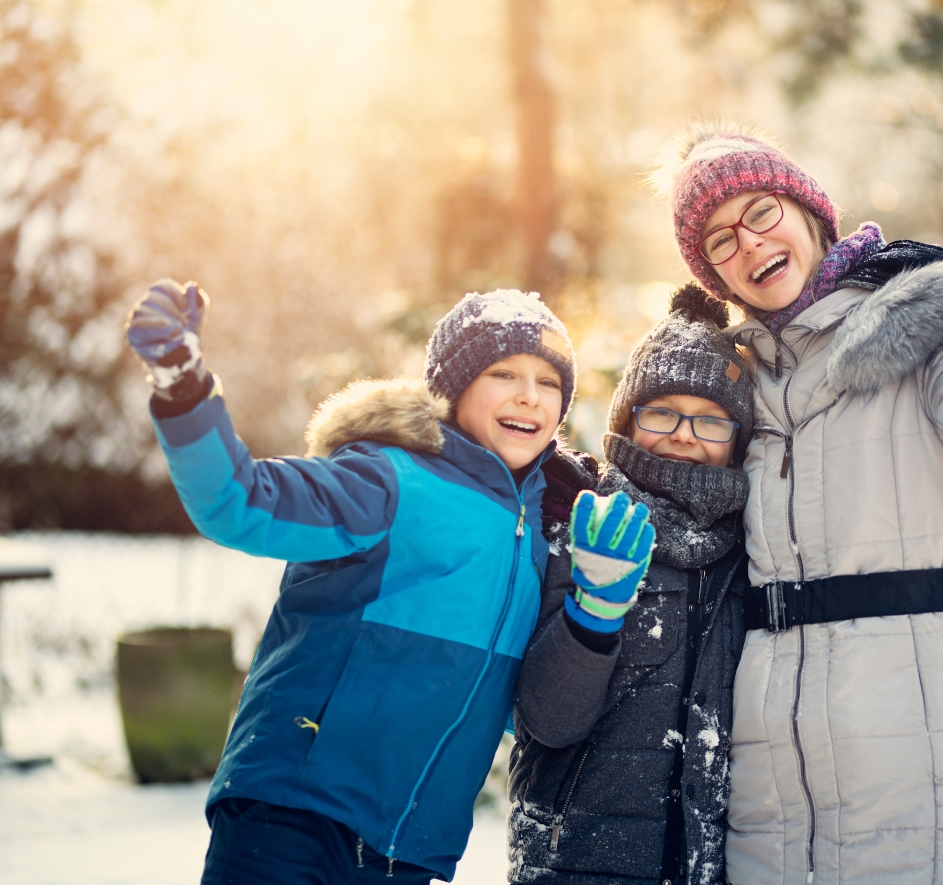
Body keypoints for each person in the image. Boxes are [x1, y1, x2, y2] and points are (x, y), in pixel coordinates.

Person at [658, 119, 943, 883]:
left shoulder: (922, 318)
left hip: (915, 738)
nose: (747, 243)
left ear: (808, 212)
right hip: (771, 768)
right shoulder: (729, 383)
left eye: (760, 212)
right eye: (718, 240)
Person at [122, 283, 610, 884]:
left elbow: (505, 700)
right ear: (453, 388)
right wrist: (184, 387)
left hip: (405, 847)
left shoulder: (544, 532)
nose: (530, 397)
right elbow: (238, 500)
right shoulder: (387, 479)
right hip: (295, 815)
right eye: (504, 374)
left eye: (550, 383)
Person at [509, 283, 756, 885]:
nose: (684, 434)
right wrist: (591, 612)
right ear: (627, 419)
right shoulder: (583, 525)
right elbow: (545, 720)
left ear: (738, 438)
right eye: (662, 412)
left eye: (711, 420)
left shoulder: (754, 558)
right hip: (576, 865)